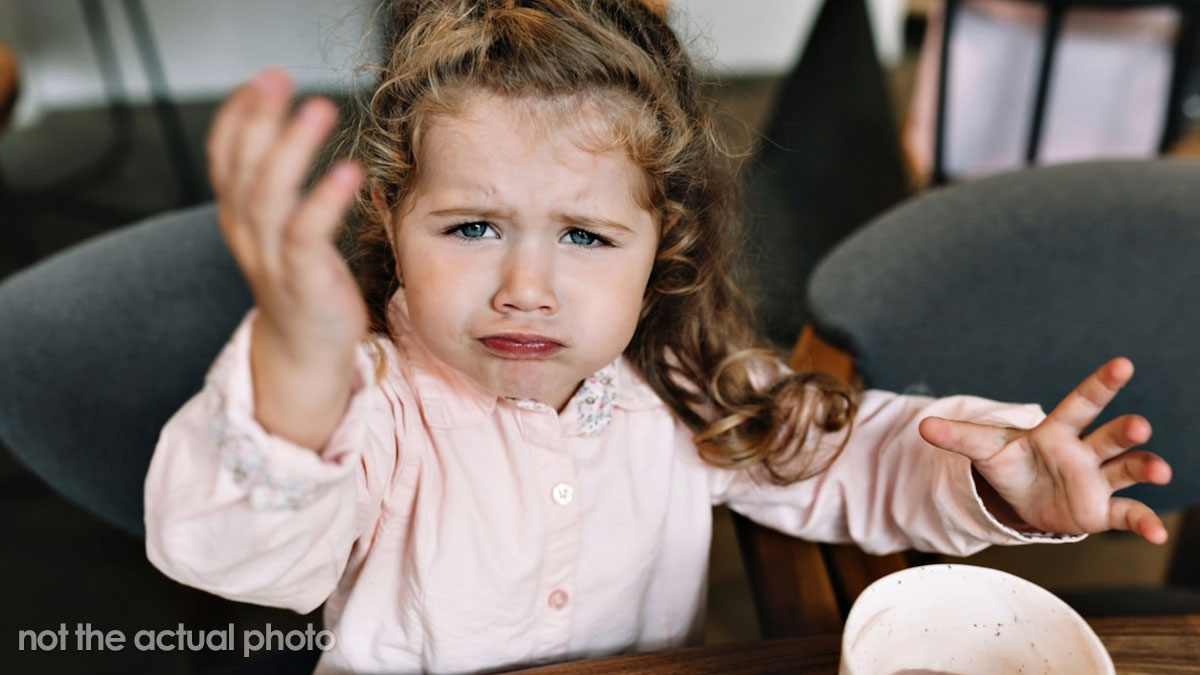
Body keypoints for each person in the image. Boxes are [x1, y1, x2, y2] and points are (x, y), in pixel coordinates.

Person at [143, 1, 1172, 672]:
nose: (526, 290)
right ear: (391, 226)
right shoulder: (367, 403)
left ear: (661, 244)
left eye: (586, 235)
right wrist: (297, 366)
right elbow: (229, 552)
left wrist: (1000, 478)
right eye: (472, 227)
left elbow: (852, 456)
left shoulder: (680, 381)